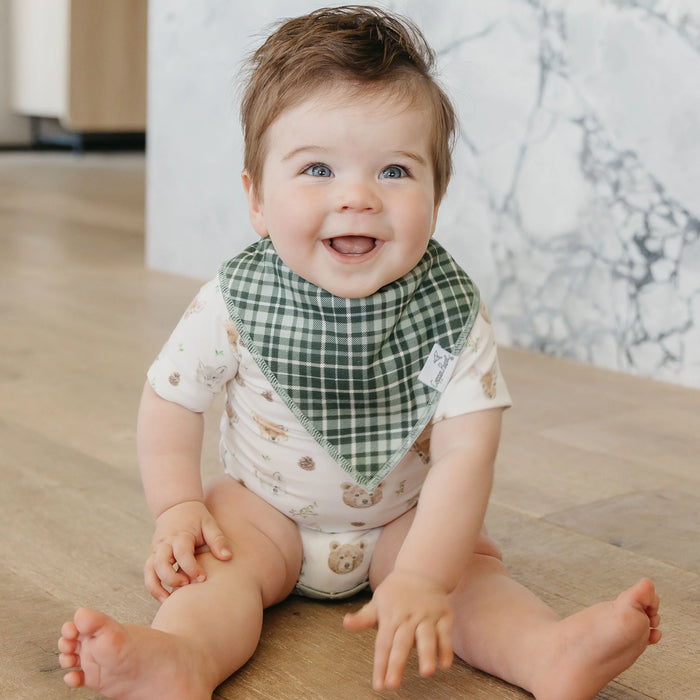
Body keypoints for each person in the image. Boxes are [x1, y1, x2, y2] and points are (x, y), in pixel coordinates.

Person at [58, 7, 661, 699]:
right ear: (256, 199)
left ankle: (547, 651)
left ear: (438, 193)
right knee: (215, 570)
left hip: (406, 519)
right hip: (265, 514)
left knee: (471, 576)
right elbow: (172, 396)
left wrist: (425, 575)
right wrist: (175, 507)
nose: (356, 197)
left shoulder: (449, 311)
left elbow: (468, 452)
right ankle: (183, 656)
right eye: (317, 168)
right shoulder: (236, 299)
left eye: (396, 171)